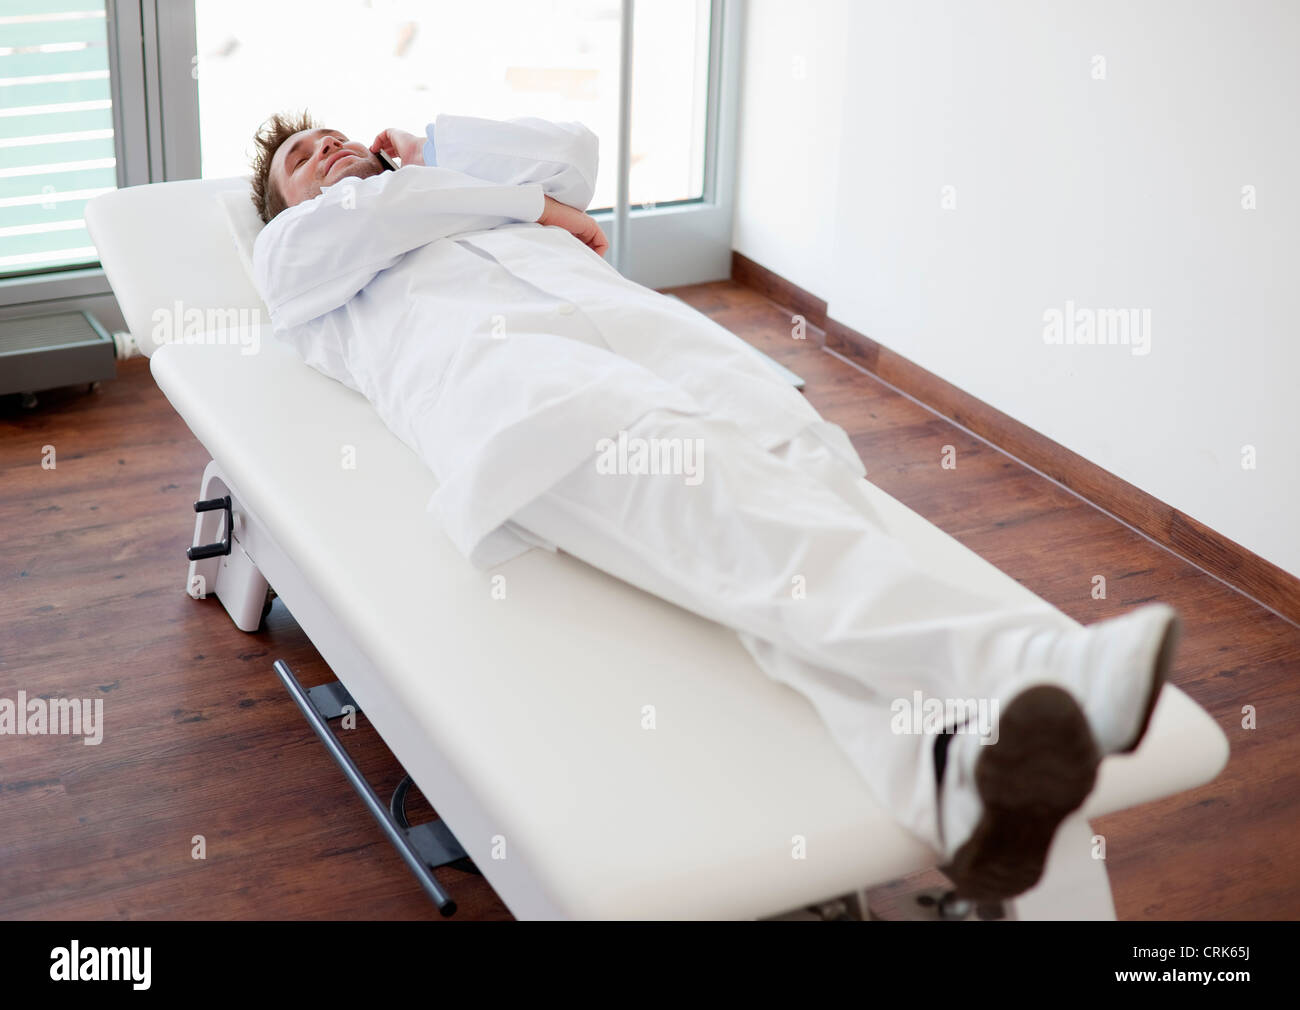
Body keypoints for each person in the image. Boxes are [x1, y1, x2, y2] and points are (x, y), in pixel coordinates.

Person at [248, 110, 1181, 903]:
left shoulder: (447, 177)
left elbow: (572, 145)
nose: (326, 150)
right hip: (540, 400)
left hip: (674, 354)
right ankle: (1037, 664)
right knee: (753, 533)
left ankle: (950, 787)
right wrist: (538, 209)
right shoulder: (299, 257)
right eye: (302, 157)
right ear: (280, 204)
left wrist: (441, 141)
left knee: (795, 526)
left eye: (334, 135)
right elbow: (394, 212)